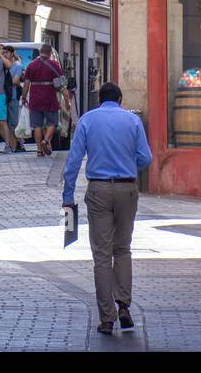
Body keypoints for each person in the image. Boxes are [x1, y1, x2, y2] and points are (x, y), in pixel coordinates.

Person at [61, 81, 153, 336]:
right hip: (127, 189)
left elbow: (73, 161)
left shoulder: (88, 121)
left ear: (99, 100)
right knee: (122, 249)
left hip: (99, 189)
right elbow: (145, 158)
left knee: (101, 255)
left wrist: (67, 196)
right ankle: (124, 305)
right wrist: (126, 162)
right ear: (120, 99)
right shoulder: (132, 121)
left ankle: (107, 318)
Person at [21, 42, 65, 156]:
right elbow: (61, 83)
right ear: (50, 53)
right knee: (52, 123)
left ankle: (39, 150)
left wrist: (24, 96)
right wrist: (66, 98)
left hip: (35, 97)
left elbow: (26, 83)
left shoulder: (31, 65)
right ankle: (45, 141)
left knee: (37, 125)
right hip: (49, 96)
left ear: (40, 52)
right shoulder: (54, 64)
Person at [3, 46, 26, 152]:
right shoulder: (2, 65)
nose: (4, 54)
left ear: (12, 53)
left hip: (12, 97)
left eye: (7, 52)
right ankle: (12, 144)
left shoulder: (17, 66)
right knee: (3, 122)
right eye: (3, 52)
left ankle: (20, 143)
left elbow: (15, 81)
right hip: (2, 97)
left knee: (13, 122)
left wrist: (2, 81)